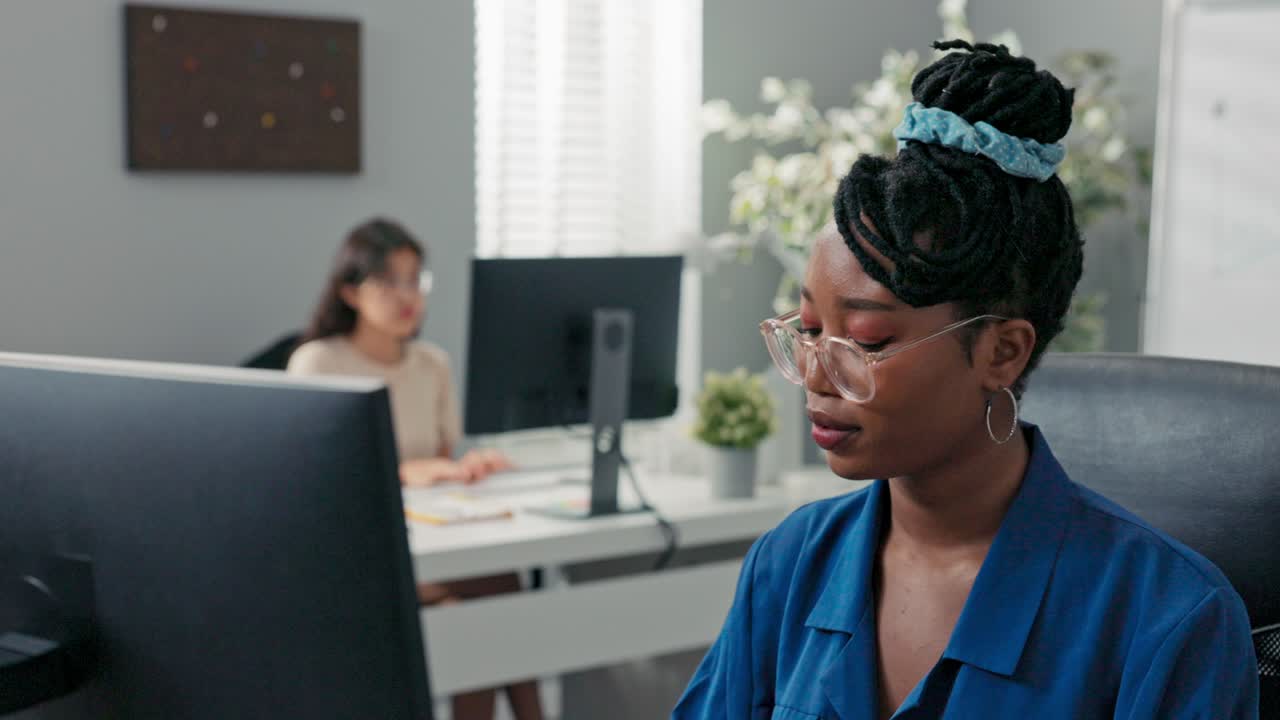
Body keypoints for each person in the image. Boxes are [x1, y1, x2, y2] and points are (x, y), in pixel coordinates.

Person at [674, 41, 1258, 719]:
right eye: (806, 330)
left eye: (866, 341)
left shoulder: (1169, 616)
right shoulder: (792, 563)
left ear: (1002, 353)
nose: (814, 373)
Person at [289, 218, 543, 720]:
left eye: (416, 280)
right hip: (354, 553)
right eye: (389, 282)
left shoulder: (432, 364)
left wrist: (468, 468)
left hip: (430, 541)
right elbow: (313, 481)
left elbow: (440, 465)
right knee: (501, 590)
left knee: (477, 612)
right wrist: (406, 472)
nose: (408, 296)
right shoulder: (318, 363)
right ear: (350, 292)